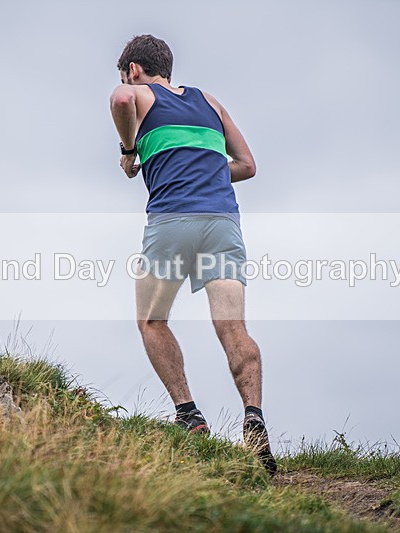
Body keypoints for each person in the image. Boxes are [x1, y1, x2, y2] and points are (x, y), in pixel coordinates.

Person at [109, 34, 276, 475]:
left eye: (126, 74)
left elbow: (121, 99)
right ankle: (254, 417)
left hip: (173, 220)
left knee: (151, 320)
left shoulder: (137, 92)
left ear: (134, 69)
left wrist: (129, 151)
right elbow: (247, 165)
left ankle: (188, 413)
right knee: (233, 327)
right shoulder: (210, 102)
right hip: (222, 223)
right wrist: (205, 168)